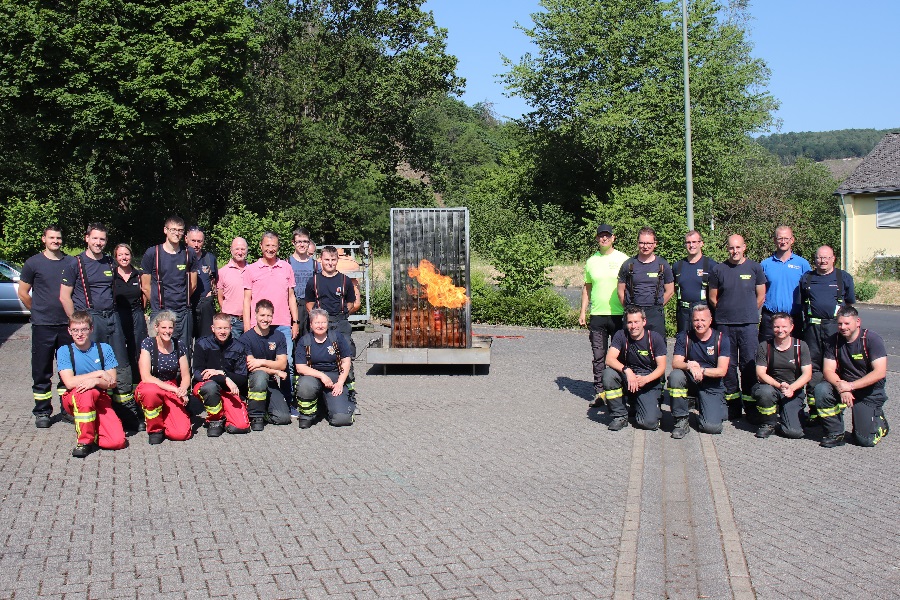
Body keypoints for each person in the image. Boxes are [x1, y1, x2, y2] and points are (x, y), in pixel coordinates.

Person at [60, 223, 140, 431]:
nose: (98, 243)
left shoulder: (109, 262)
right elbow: (64, 296)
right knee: (93, 364)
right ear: (86, 238)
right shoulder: (75, 263)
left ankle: (125, 409)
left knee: (120, 363)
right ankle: (94, 409)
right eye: (95, 238)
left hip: (112, 317)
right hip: (90, 317)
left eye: (102, 239)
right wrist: (78, 324)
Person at [18, 224, 77, 428]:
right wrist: (37, 311)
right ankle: (42, 411)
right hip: (43, 325)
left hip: (67, 325)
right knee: (42, 370)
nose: (55, 241)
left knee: (67, 370)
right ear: (44, 239)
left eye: (58, 238)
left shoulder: (71, 262)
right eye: (51, 238)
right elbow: (23, 293)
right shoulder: (33, 263)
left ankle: (67, 409)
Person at [708, 234, 767, 421]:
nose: (735, 251)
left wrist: (748, 312)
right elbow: (712, 297)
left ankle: (751, 406)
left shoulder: (755, 268)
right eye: (731, 248)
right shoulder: (718, 269)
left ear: (744, 247)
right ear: (728, 249)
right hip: (725, 324)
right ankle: (733, 405)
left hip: (748, 324)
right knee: (729, 366)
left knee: (748, 364)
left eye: (738, 247)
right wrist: (726, 312)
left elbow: (761, 295)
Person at [814, 306, 890, 448]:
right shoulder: (833, 341)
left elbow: (880, 372)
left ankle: (879, 422)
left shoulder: (872, 340)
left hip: (868, 391)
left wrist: (851, 386)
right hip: (844, 386)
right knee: (821, 390)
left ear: (858, 322)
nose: (843, 327)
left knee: (864, 441)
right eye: (840, 323)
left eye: (847, 323)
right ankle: (835, 433)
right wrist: (841, 386)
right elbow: (828, 370)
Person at [56, 311, 126, 458]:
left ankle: (93, 428)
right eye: (75, 330)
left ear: (91, 329)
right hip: (75, 397)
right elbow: (69, 383)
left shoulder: (104, 349)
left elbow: (112, 382)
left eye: (84, 329)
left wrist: (95, 381)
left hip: (100, 397)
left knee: (117, 442)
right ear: (69, 331)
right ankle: (84, 442)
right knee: (86, 393)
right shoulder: (64, 351)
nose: (79, 334)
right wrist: (98, 373)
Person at [798, 245, 855, 423]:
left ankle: (834, 407)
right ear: (814, 259)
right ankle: (814, 410)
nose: (822, 261)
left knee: (835, 366)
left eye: (826, 258)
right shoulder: (807, 278)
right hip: (812, 329)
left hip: (834, 329)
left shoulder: (843, 278)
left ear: (833, 258)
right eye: (819, 258)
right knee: (813, 368)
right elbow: (801, 303)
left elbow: (850, 306)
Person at [579, 224, 629, 408]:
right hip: (598, 315)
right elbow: (587, 287)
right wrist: (583, 311)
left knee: (620, 356)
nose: (604, 239)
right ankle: (600, 392)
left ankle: (619, 391)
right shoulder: (591, 261)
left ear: (613, 238)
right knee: (598, 356)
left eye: (607, 236)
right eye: (601, 236)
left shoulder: (623, 259)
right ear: (597, 238)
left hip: (618, 315)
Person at [243, 232, 299, 389]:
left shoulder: (286, 268)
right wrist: (247, 324)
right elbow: (246, 299)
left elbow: (291, 297)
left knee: (287, 362)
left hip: (282, 323)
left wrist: (295, 322)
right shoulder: (251, 269)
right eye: (267, 245)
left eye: (274, 245)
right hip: (258, 325)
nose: (270, 249)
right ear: (261, 246)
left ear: (278, 247)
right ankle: (261, 399)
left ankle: (288, 400)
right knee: (257, 363)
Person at [667, 303, 730, 438]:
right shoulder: (684, 337)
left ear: (710, 320)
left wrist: (701, 370)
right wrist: (689, 366)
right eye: (696, 320)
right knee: (675, 376)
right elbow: (676, 363)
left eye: (703, 320)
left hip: (711, 383)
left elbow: (721, 371)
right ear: (692, 320)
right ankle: (681, 420)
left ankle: (708, 404)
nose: (699, 323)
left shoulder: (721, 339)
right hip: (691, 380)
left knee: (711, 427)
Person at [602, 305, 667, 432]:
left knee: (648, 423)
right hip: (628, 377)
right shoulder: (621, 335)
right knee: (608, 374)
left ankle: (643, 404)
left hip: (648, 380)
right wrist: (627, 370)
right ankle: (619, 416)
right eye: (630, 322)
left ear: (644, 321)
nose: (633, 326)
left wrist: (645, 379)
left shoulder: (655, 338)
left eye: (636, 322)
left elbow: (662, 367)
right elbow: (609, 359)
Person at [141, 216, 198, 360]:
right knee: (158, 351)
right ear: (165, 230)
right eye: (173, 230)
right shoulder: (152, 253)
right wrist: (155, 302)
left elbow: (193, 284)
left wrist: (181, 298)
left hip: (183, 311)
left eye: (180, 230)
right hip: (160, 310)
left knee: (183, 351)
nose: (176, 233)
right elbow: (146, 286)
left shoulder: (188, 253)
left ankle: (183, 381)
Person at [305, 245, 359, 396]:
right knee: (317, 356)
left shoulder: (345, 280)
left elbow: (351, 303)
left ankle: (350, 393)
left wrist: (341, 314)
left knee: (346, 357)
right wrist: (318, 319)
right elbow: (309, 304)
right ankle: (317, 392)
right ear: (320, 260)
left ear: (337, 261)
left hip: (340, 323)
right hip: (321, 325)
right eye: (326, 259)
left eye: (333, 260)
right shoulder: (313, 281)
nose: (330, 262)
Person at [134, 311, 192, 444]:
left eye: (170, 327)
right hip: (152, 385)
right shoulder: (148, 343)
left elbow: (186, 375)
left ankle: (166, 417)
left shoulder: (179, 345)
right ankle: (155, 429)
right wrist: (174, 390)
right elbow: (146, 376)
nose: (167, 331)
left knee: (182, 434)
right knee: (150, 392)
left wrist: (182, 390)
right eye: (163, 327)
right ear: (156, 328)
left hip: (171, 386)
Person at [751, 313, 812, 439]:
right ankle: (768, 423)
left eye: (784, 327)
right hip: (772, 387)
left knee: (794, 432)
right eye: (776, 327)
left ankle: (790, 416)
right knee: (764, 392)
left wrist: (792, 388)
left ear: (791, 327)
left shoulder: (801, 346)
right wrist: (779, 385)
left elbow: (807, 374)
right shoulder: (765, 346)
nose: (780, 330)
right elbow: (760, 374)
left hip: (793, 390)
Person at [294, 308, 355, 428]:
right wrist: (322, 376)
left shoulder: (337, 338)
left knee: (341, 419)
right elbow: (300, 367)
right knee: (306, 385)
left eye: (323, 322)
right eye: (317, 323)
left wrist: (340, 383)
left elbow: (346, 361)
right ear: (311, 325)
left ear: (328, 323)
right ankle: (307, 415)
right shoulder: (304, 341)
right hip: (312, 376)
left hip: (334, 376)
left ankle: (333, 406)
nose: (320, 326)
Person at [192, 313, 251, 437]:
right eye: (219, 328)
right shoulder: (202, 344)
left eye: (225, 328)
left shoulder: (239, 347)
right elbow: (198, 373)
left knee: (241, 426)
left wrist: (223, 374)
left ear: (231, 328)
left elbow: (241, 377)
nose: (222, 331)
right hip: (207, 387)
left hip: (229, 391)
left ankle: (226, 414)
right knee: (210, 387)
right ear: (213, 328)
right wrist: (225, 378)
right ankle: (215, 420)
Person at [240, 299, 292, 430]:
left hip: (270, 382)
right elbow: (252, 366)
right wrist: (275, 371)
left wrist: (261, 361)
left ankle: (264, 412)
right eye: (262, 315)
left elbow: (282, 364)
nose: (265, 319)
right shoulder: (246, 338)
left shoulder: (278, 336)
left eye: (269, 315)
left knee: (283, 418)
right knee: (260, 375)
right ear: (255, 315)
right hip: (252, 382)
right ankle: (255, 416)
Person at [617, 227, 674, 336]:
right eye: (642, 243)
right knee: (631, 349)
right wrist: (629, 307)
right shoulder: (628, 265)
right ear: (638, 243)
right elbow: (620, 291)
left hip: (655, 314)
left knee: (657, 348)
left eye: (649, 243)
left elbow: (670, 291)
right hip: (633, 312)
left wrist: (658, 305)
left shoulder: (662, 265)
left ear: (655, 244)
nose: (645, 246)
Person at [759, 226, 810, 342]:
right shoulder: (765, 264)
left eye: (786, 238)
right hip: (770, 317)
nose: (783, 241)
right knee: (765, 350)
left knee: (795, 353)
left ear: (792, 240)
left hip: (794, 316)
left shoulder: (802, 264)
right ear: (774, 240)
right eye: (780, 238)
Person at [112, 243, 148, 388]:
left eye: (126, 254)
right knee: (119, 351)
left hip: (136, 315)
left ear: (131, 256)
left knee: (138, 350)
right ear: (115, 257)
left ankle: (138, 384)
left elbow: (144, 296)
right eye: (120, 254)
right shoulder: (111, 274)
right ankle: (120, 385)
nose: (124, 257)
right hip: (118, 315)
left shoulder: (138, 275)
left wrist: (141, 312)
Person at [672, 230, 717, 333]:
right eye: (688, 242)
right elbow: (673, 289)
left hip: (703, 311)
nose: (691, 245)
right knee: (684, 343)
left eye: (694, 242)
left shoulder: (711, 265)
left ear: (701, 243)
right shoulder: (677, 266)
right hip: (683, 313)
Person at [185, 227, 218, 344]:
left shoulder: (210, 258)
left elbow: (215, 280)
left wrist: (211, 295)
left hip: (205, 306)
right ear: (186, 239)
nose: (196, 244)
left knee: (206, 343)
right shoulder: (180, 258)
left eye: (199, 241)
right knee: (184, 344)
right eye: (193, 241)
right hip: (186, 306)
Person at [288, 228, 319, 337]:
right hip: (292, 308)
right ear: (293, 243)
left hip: (311, 307)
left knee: (311, 341)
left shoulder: (316, 265)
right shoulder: (287, 263)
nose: (302, 245)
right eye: (299, 242)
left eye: (305, 241)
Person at [216, 237, 249, 338]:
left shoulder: (252, 270)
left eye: (243, 249)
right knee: (232, 352)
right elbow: (220, 297)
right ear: (231, 250)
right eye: (237, 249)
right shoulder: (222, 272)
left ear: (247, 250)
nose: (240, 252)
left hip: (250, 319)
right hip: (232, 322)